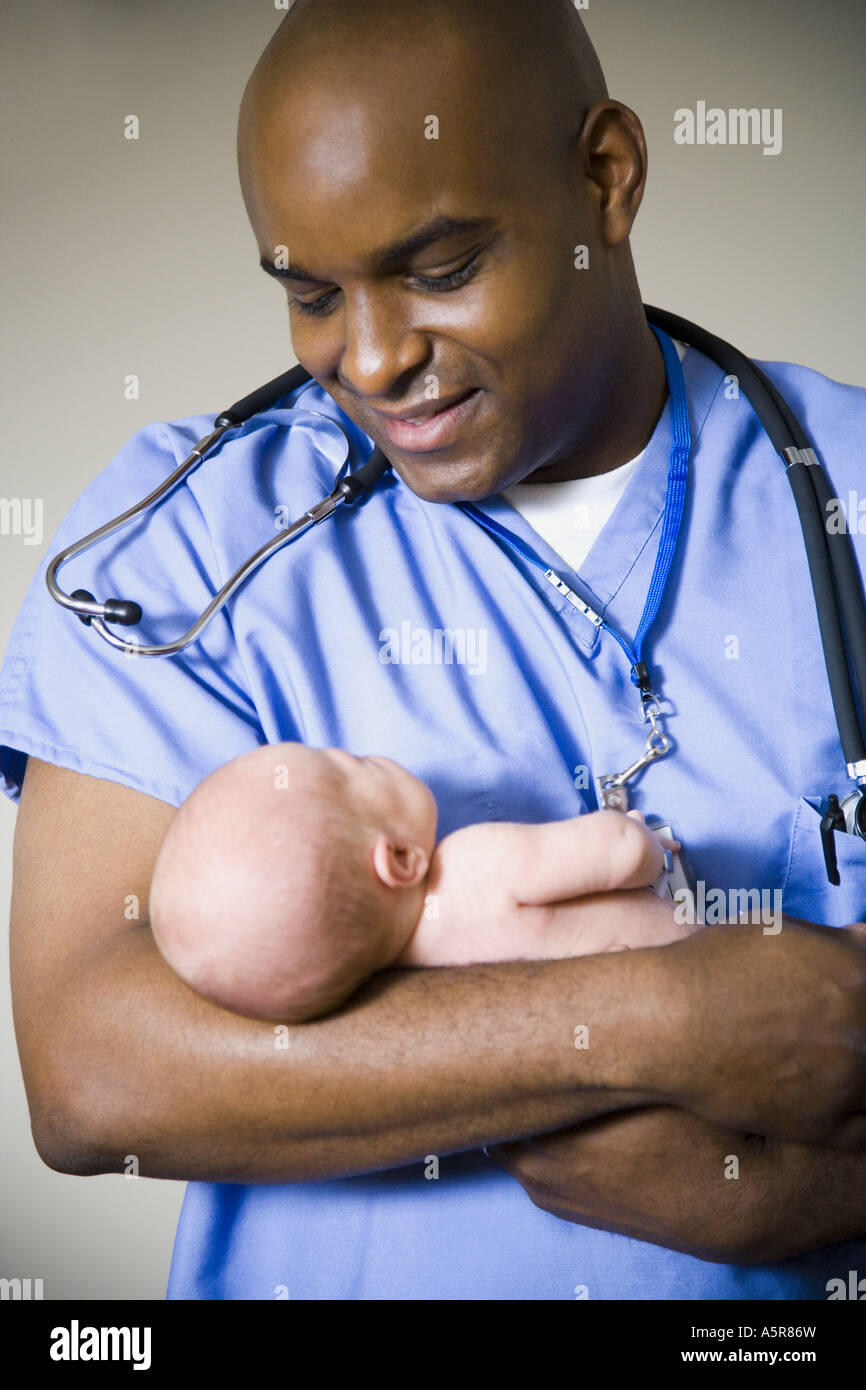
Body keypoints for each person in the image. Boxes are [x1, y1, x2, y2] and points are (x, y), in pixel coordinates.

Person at [3, 0, 866, 1300]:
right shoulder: (187, 538)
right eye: (308, 292)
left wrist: (830, 1194)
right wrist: (670, 1018)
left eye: (441, 267)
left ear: (606, 177)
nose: (368, 356)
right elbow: (96, 1071)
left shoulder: (842, 484)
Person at [149, 742, 686, 1022]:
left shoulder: (412, 977)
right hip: (689, 980)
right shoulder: (471, 866)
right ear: (401, 859)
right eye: (354, 767)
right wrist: (640, 838)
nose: (362, 753)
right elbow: (620, 853)